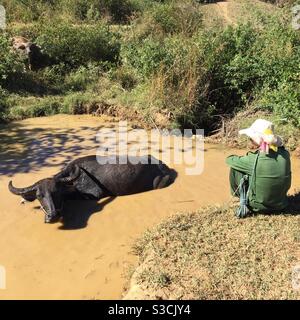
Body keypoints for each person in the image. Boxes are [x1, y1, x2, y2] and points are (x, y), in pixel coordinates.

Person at [226, 119, 291, 215]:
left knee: (235, 168)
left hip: (257, 207)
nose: (250, 140)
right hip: (281, 204)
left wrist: (243, 158)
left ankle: (241, 198)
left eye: (251, 138)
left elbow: (229, 160)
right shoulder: (285, 154)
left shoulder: (254, 158)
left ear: (257, 139)